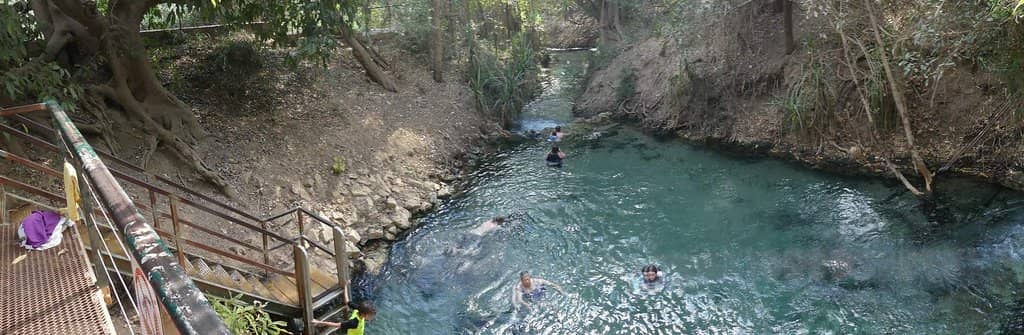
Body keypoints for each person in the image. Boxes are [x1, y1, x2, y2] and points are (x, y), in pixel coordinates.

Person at [312, 300, 376, 335]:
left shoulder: (358, 309)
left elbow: (347, 301)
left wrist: (345, 286)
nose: (372, 317)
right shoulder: (354, 323)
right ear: (364, 314)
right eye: (371, 316)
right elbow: (336, 325)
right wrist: (318, 322)